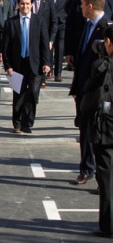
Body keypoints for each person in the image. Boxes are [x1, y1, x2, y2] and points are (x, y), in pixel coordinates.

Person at [70, 0, 109, 186]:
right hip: (83, 88)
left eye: (83, 4)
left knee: (100, 134)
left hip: (99, 91)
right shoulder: (87, 25)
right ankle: (86, 168)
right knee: (84, 129)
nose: (81, 7)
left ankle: (103, 178)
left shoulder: (106, 28)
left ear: (90, 6)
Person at [80, 25, 113, 237]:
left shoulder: (102, 66)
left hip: (107, 126)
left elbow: (90, 97)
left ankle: (108, 224)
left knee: (107, 176)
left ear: (108, 42)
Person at [3, 0, 51, 133]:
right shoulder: (10, 23)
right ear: (18, 5)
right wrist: (8, 66)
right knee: (18, 94)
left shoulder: (39, 21)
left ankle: (27, 123)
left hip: (35, 63)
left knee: (33, 92)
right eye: (22, 3)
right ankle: (17, 123)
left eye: (28, 3)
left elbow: (44, 43)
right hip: (17, 65)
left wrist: (47, 62)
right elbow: (5, 47)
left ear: (32, 5)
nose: (25, 6)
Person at [46, 0, 69, 82]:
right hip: (49, 25)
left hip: (61, 25)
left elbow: (68, 9)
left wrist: (63, 17)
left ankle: (58, 73)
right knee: (49, 47)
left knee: (59, 48)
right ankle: (49, 70)